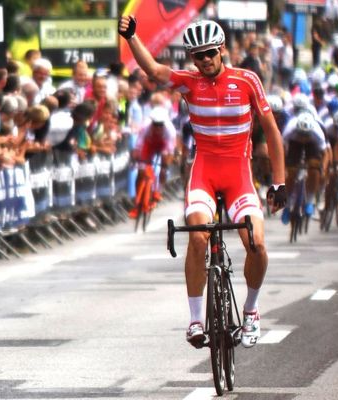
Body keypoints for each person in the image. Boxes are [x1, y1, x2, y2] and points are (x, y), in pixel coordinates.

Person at [118, 16, 286, 348]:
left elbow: (271, 131)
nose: (205, 60)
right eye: (198, 55)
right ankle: (196, 319)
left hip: (238, 174)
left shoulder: (247, 80)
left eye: (210, 52)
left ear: (222, 49)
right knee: (197, 238)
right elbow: (154, 71)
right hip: (204, 172)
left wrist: (279, 183)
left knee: (257, 244)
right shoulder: (189, 82)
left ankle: (251, 312)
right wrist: (132, 38)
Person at [127, 105, 176, 218]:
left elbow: (170, 150)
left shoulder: (170, 130)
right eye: (155, 125)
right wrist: (136, 156)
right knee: (141, 170)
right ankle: (137, 200)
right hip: (149, 144)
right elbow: (139, 145)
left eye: (160, 125)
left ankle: (159, 191)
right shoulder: (145, 127)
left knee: (163, 168)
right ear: (152, 122)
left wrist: (166, 164)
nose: (158, 127)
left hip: (162, 144)